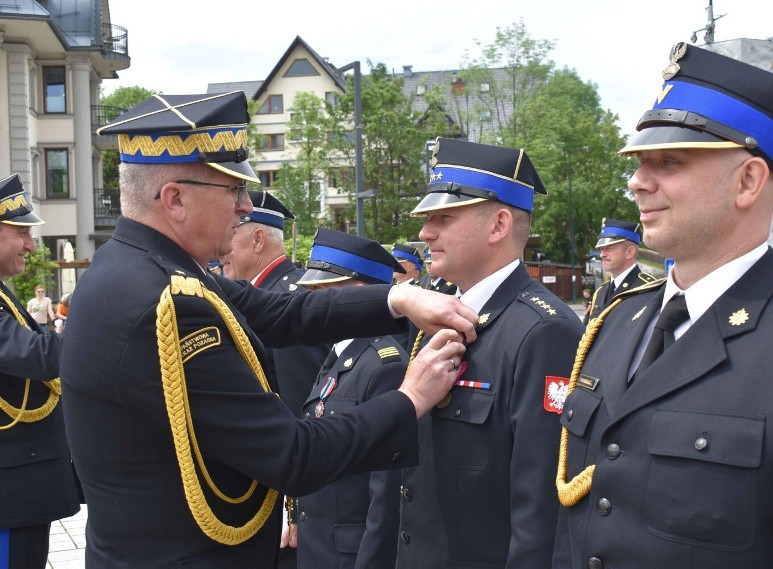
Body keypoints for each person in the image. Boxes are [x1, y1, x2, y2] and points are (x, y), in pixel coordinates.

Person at [58, 91, 477, 568]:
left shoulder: (139, 269)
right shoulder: (164, 304)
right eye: (232, 191)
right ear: (175, 199)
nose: (243, 207)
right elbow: (294, 456)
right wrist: (412, 397)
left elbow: (281, 314)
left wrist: (397, 297)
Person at [553, 42, 773, 569]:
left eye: (669, 162)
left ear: (748, 181)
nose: (637, 182)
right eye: (640, 163)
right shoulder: (616, 321)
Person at [395, 138, 585, 568]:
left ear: (498, 225)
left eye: (443, 218)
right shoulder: (438, 312)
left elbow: (539, 510)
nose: (425, 233)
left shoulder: (543, 331)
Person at [289, 228, 408, 569]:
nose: (309, 305)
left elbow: (386, 495)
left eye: (321, 293)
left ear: (356, 295)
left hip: (351, 555)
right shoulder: (339, 355)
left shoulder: (383, 365)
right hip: (320, 546)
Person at [0, 173, 80, 569]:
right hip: (9, 491)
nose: (31, 244)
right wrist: (103, 322)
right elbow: (37, 357)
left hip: (20, 483)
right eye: (21, 232)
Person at [220, 190, 328, 416]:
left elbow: (300, 405)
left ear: (258, 240)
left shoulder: (287, 300)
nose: (220, 250)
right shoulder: (270, 292)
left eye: (229, 235)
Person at [587, 218, 655, 321]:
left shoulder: (649, 289)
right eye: (601, 249)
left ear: (629, 252)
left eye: (609, 248)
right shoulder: (600, 292)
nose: (602, 255)